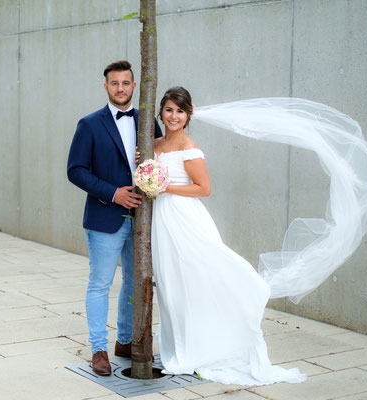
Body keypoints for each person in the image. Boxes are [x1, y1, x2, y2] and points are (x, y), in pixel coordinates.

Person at [151, 87, 306, 385]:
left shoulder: (188, 147)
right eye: (169, 110)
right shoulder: (155, 143)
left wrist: (164, 186)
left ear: (188, 114)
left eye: (180, 111)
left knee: (194, 281)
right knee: (171, 285)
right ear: (161, 111)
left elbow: (203, 188)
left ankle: (204, 345)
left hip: (185, 220)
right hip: (163, 222)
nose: (173, 116)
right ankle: (180, 345)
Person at [67, 60, 162, 375]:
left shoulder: (148, 123)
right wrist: (112, 193)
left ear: (135, 86)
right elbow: (76, 171)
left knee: (135, 283)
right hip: (105, 218)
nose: (120, 88)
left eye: (126, 83)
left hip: (142, 220)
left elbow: (162, 164)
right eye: (114, 83)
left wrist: (150, 163)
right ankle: (99, 349)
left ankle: (125, 341)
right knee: (100, 284)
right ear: (105, 86)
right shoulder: (89, 124)